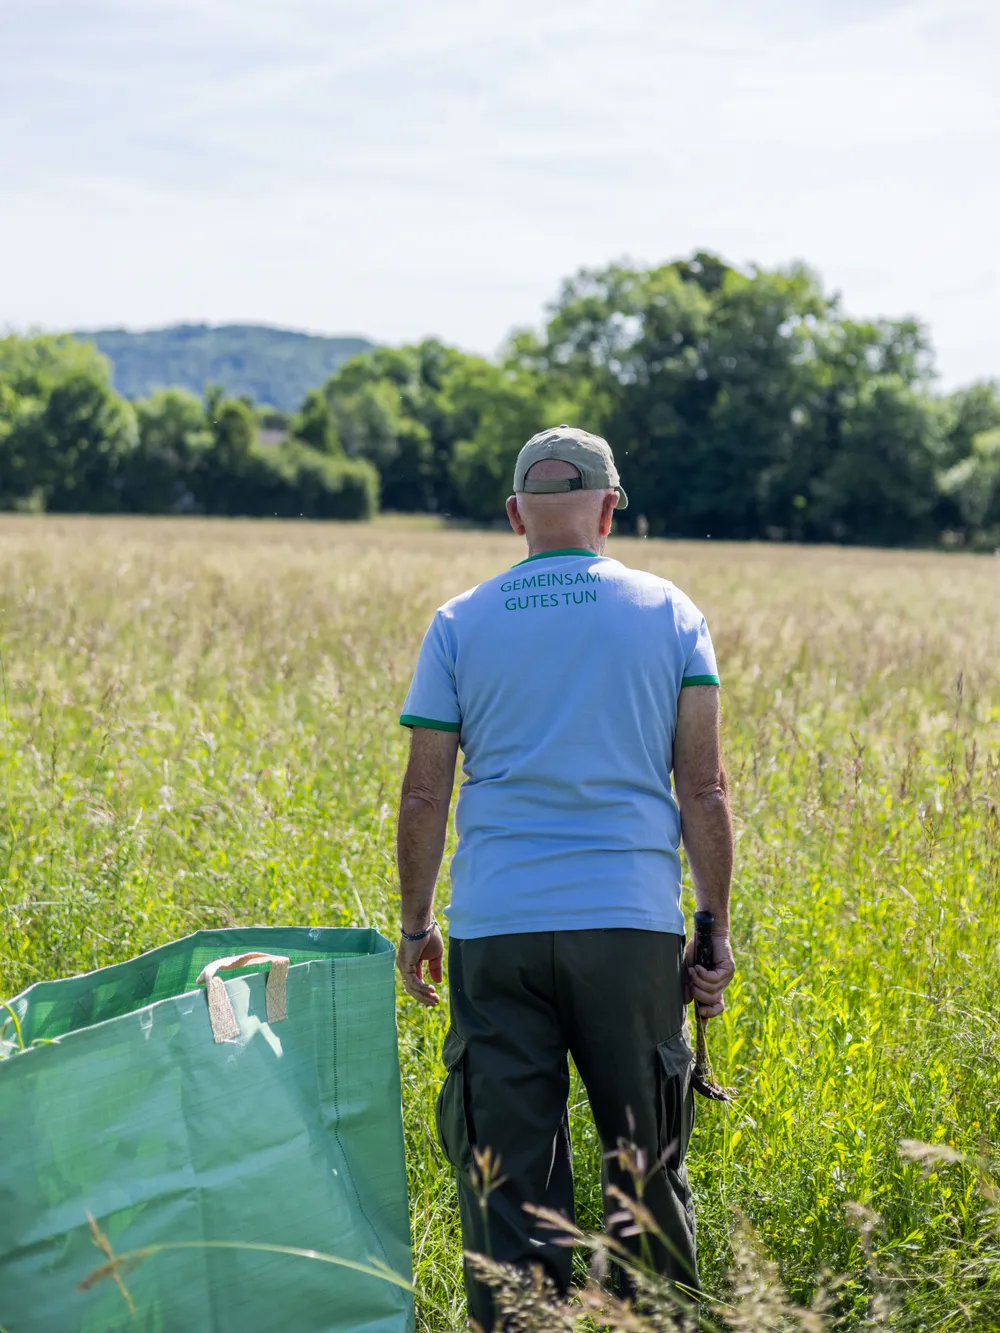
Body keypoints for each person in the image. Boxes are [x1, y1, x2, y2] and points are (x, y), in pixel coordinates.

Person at [394, 425, 735, 1329]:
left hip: (495, 929)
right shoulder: (672, 612)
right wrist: (715, 927)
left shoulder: (460, 621)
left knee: (507, 1181)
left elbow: (426, 791)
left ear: (515, 515)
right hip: (631, 929)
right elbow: (702, 786)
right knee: (646, 1171)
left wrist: (417, 924)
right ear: (609, 509)